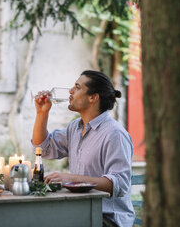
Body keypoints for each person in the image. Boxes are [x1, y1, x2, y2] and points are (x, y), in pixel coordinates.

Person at [32, 70, 135, 227]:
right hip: (81, 211)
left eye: (77, 87)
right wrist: (42, 113)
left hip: (106, 219)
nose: (70, 91)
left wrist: (72, 179)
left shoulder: (114, 134)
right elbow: (43, 149)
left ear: (93, 97)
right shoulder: (75, 128)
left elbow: (119, 184)